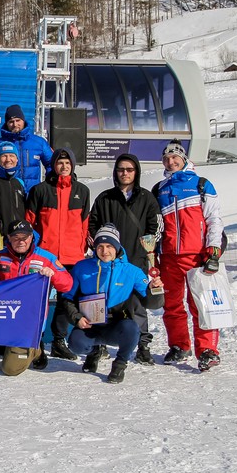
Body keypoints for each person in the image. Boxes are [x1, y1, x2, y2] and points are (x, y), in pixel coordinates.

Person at [57, 224, 165, 384]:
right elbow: (67, 297)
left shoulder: (132, 271)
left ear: (117, 247)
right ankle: (94, 352)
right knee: (75, 343)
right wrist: (77, 318)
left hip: (118, 325)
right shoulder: (82, 268)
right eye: (100, 246)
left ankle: (120, 364)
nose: (104, 251)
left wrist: (155, 290)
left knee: (132, 330)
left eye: (109, 246)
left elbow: (152, 303)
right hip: (91, 325)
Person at [152, 140, 225, 371]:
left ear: (184, 159)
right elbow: (155, 226)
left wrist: (213, 250)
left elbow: (214, 219)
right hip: (169, 257)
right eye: (166, 158)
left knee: (200, 305)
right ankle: (178, 346)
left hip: (196, 256)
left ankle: (207, 350)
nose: (171, 162)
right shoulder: (159, 189)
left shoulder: (201, 184)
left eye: (175, 158)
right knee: (172, 305)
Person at [0, 220, 73, 375]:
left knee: (10, 369)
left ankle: (36, 351)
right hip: (4, 313)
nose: (20, 241)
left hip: (29, 320)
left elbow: (67, 285)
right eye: (15, 237)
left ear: (31, 237)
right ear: (8, 238)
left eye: (24, 237)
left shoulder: (46, 258)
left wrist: (53, 275)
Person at [89, 153, 162, 364]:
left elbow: (155, 226)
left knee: (137, 303)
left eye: (129, 170)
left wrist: (149, 246)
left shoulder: (147, 198)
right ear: (115, 172)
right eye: (121, 169)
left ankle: (142, 345)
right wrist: (100, 246)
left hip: (137, 260)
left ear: (136, 172)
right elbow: (93, 224)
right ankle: (98, 343)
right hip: (108, 262)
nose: (125, 173)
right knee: (102, 300)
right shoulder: (105, 198)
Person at [25, 147, 91, 361]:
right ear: (53, 166)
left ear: (72, 166)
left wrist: (81, 249)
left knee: (66, 300)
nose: (63, 167)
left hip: (72, 257)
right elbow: (29, 223)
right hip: (45, 255)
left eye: (67, 163)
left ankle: (59, 341)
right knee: (38, 300)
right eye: (59, 163)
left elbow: (84, 224)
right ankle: (36, 342)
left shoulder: (82, 191)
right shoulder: (40, 190)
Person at [0, 105, 52, 192]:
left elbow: (51, 163)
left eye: (18, 120)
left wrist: (48, 185)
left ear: (23, 121)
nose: (15, 124)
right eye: (11, 121)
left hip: (32, 194)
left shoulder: (38, 142)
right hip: (8, 194)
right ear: (6, 123)